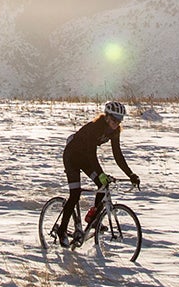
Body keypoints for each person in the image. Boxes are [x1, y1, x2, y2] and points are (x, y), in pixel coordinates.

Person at [55, 100, 140, 245]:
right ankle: (61, 230)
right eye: (114, 119)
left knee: (103, 186)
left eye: (120, 120)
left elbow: (117, 155)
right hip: (72, 157)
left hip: (86, 159)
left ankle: (93, 219)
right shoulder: (95, 128)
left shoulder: (115, 132)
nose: (116, 123)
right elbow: (91, 153)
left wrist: (131, 174)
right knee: (75, 194)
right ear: (106, 116)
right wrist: (101, 173)